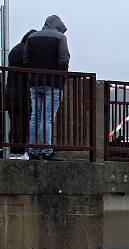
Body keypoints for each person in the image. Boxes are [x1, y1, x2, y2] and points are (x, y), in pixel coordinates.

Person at [23, 15, 70, 160]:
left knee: (35, 117)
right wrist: (62, 75)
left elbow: (26, 59)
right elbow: (63, 60)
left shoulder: (32, 37)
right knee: (47, 118)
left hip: (34, 82)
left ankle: (32, 150)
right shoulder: (60, 38)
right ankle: (46, 150)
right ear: (58, 26)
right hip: (53, 83)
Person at [3, 30, 37, 158]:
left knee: (14, 124)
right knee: (23, 123)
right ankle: (21, 151)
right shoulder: (27, 51)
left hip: (10, 92)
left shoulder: (14, 50)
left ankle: (13, 151)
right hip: (22, 93)